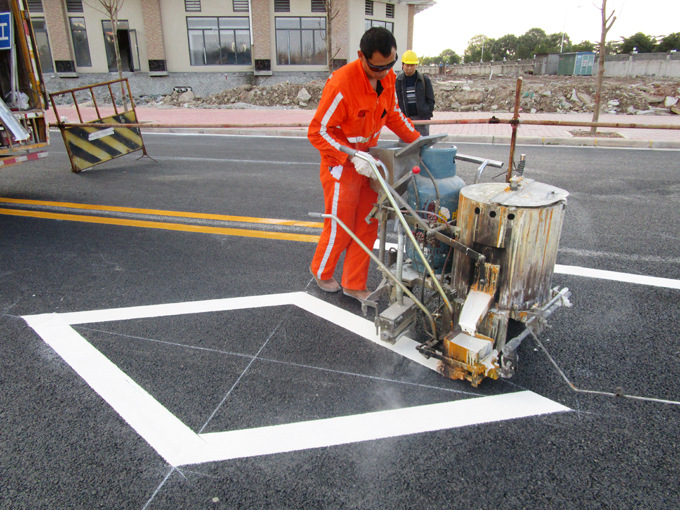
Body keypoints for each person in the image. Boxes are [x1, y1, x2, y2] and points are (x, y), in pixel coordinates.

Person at [308, 27, 421, 302]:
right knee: (341, 223)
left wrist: (419, 143)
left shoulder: (388, 80)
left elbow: (393, 114)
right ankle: (321, 271)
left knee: (369, 222)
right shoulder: (341, 84)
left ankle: (354, 283)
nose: (384, 73)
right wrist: (350, 155)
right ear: (362, 56)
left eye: (389, 66)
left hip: (370, 162)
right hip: (342, 164)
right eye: (377, 67)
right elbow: (318, 132)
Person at [395, 50, 435, 136]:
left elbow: (431, 100)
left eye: (412, 65)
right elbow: (395, 101)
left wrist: (426, 114)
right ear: (403, 65)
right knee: (405, 147)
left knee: (422, 146)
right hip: (405, 120)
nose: (409, 68)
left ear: (416, 65)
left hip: (421, 120)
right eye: (407, 65)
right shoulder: (398, 81)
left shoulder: (424, 80)